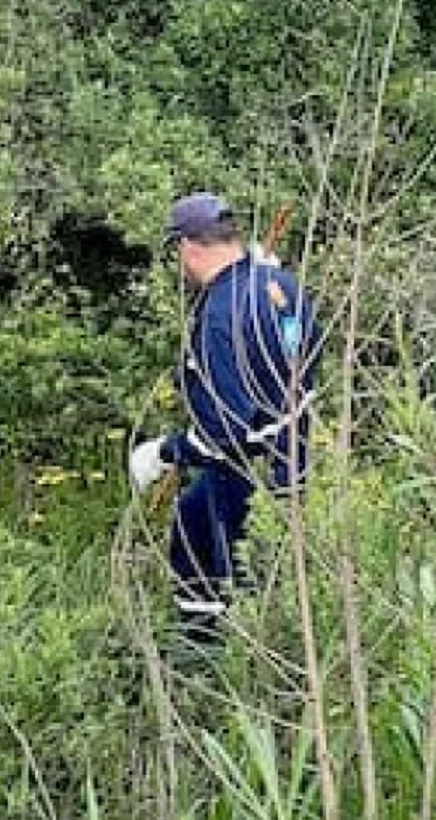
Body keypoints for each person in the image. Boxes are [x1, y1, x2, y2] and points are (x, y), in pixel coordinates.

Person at [129, 192, 322, 645]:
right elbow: (307, 360)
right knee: (197, 522)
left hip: (245, 471)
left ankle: (205, 666)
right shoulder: (284, 285)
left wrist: (164, 453)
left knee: (220, 566)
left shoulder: (220, 314)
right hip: (292, 464)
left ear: (189, 248)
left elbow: (224, 430)